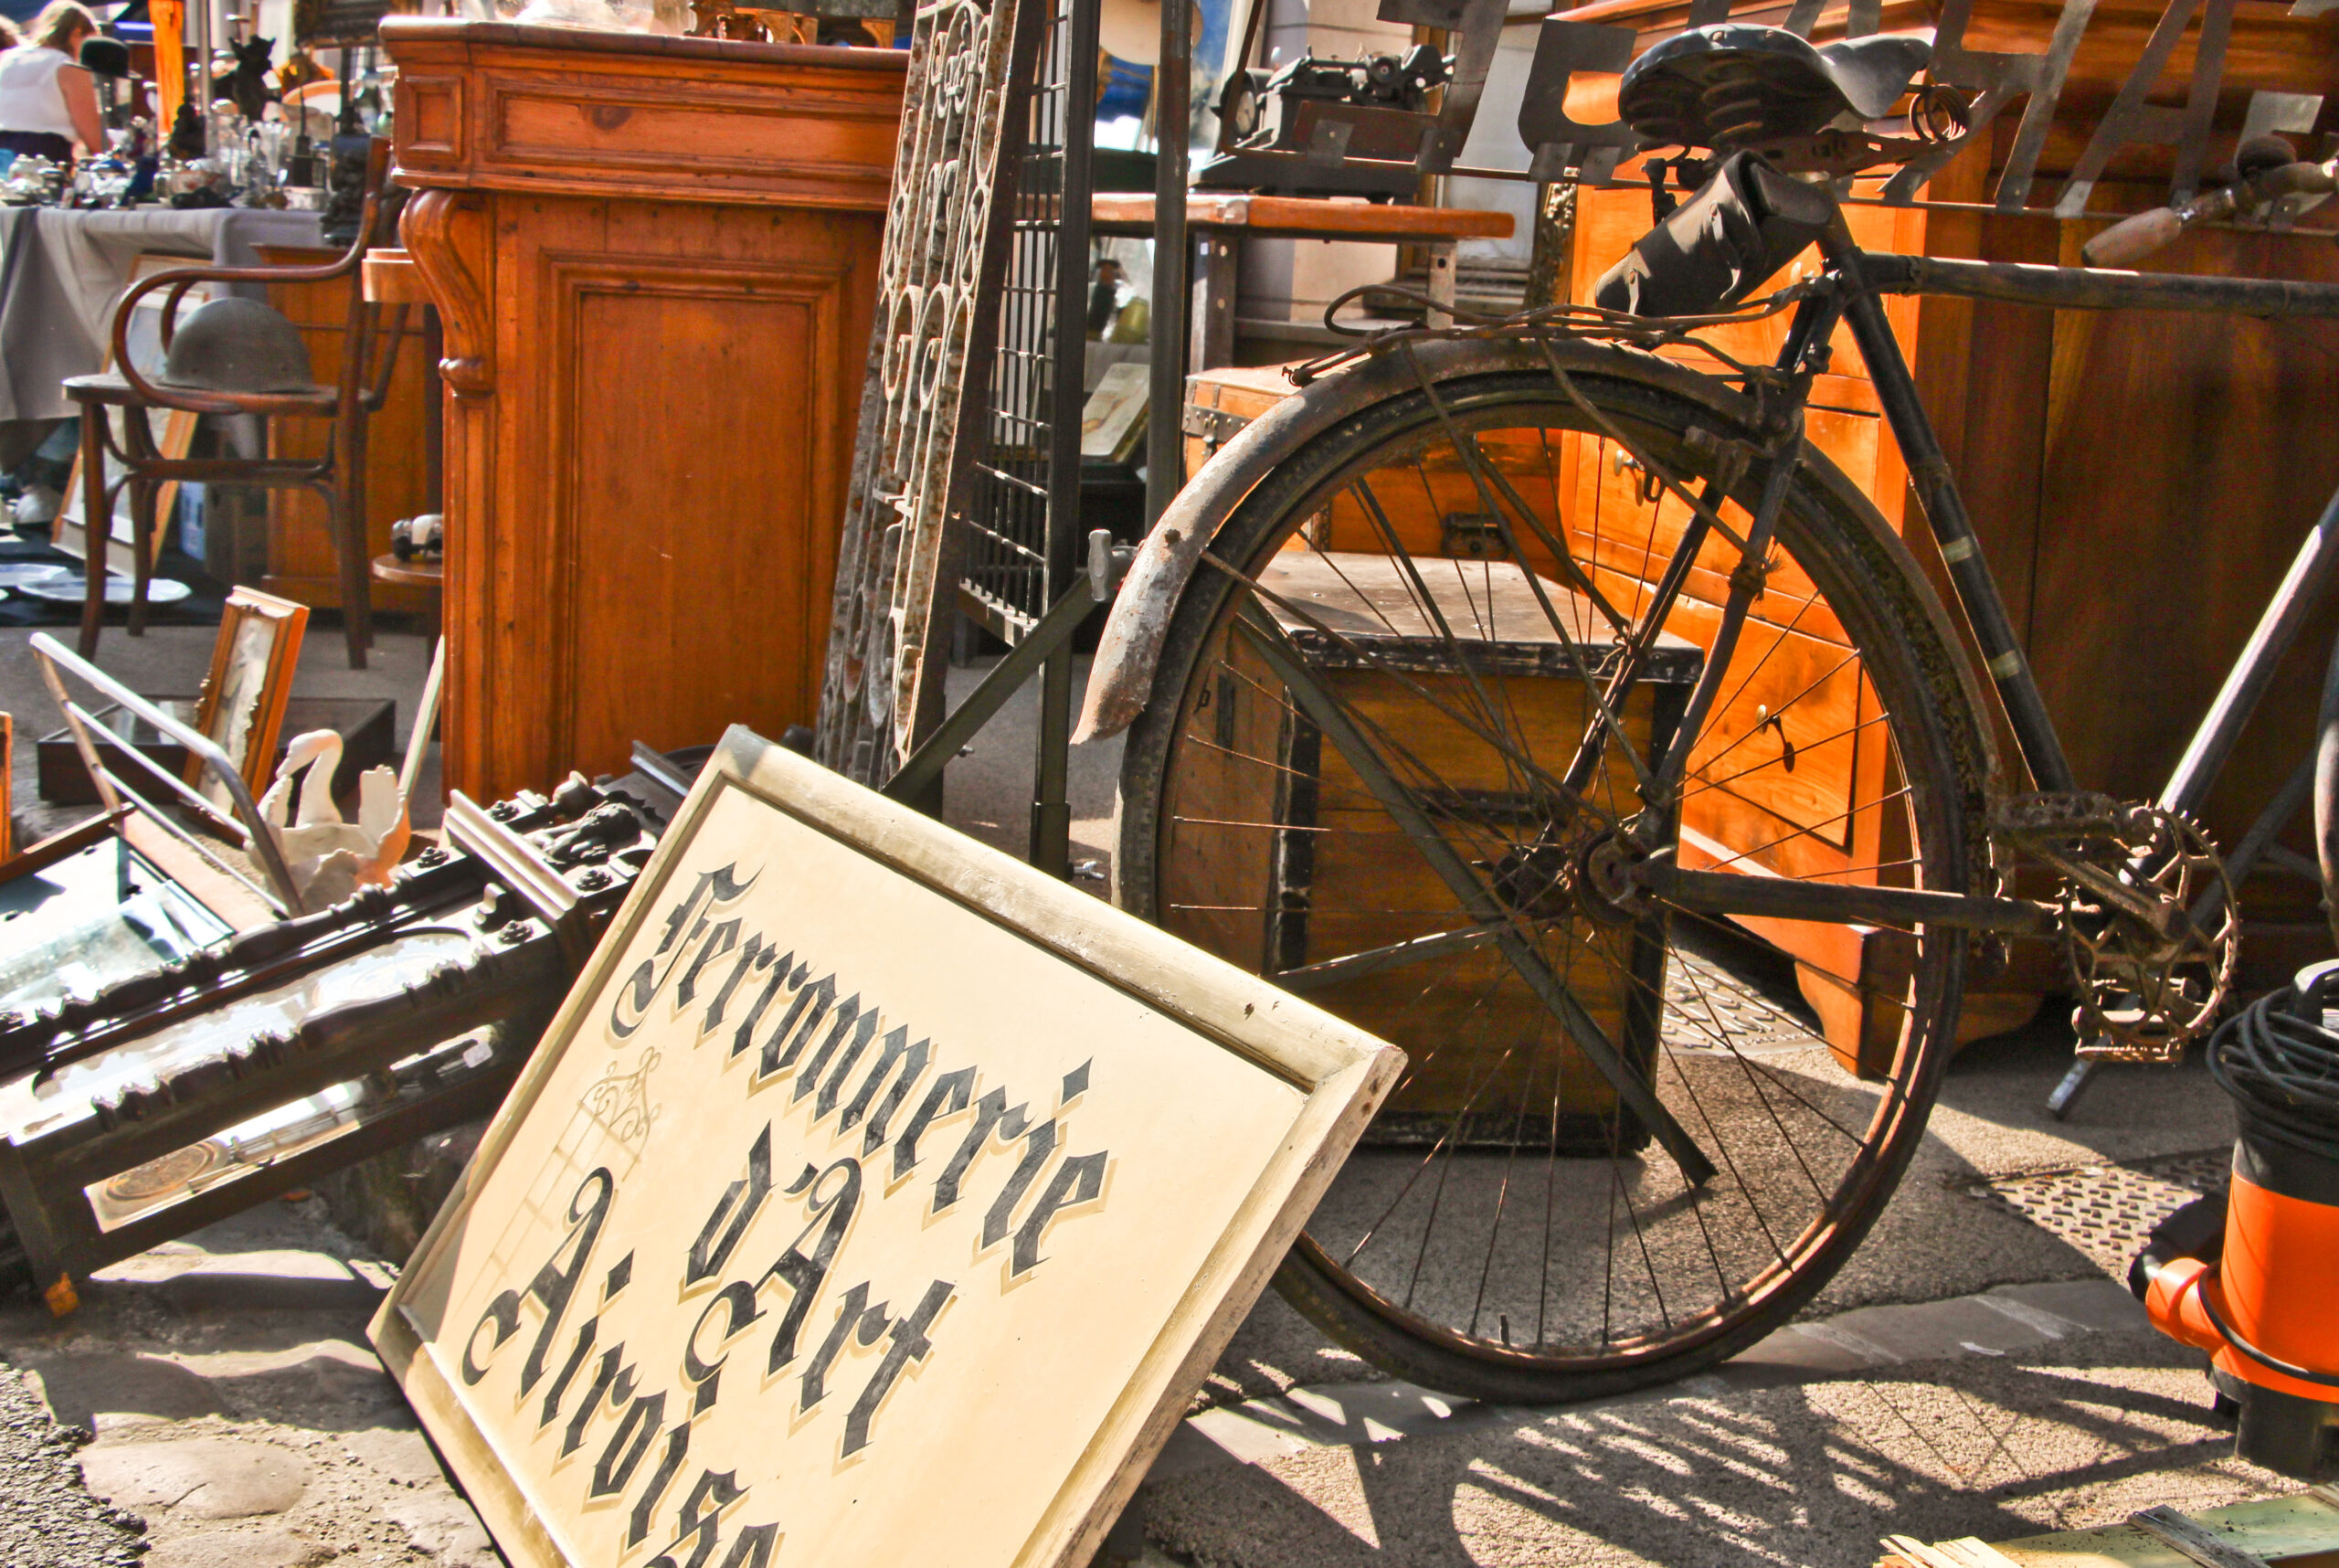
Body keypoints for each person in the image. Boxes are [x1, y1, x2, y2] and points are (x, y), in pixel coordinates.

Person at [0, 2, 105, 165]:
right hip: (44, 156)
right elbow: (92, 134)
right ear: (76, 33)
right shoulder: (68, 67)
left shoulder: (7, 58)